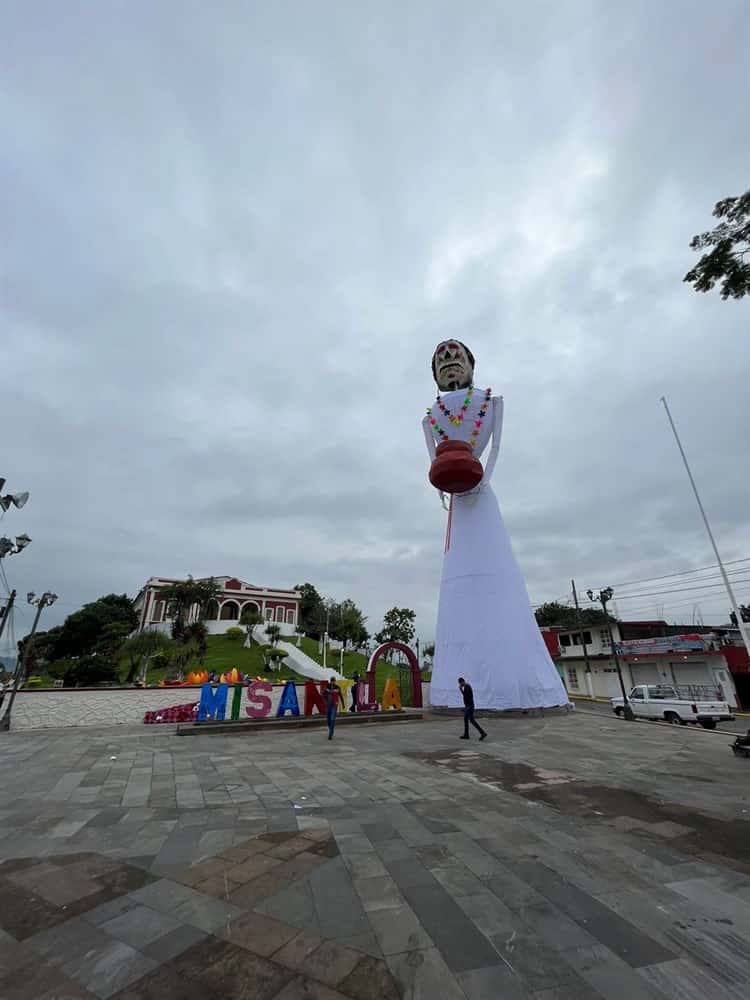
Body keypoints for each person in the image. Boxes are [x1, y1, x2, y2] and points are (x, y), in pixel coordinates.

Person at [423, 342, 569, 711]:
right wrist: (445, 487)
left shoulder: (492, 403)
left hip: (480, 494)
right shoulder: (431, 418)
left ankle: (517, 685)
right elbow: (433, 457)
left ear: (473, 364)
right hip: (457, 500)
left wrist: (483, 478)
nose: (449, 362)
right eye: (441, 360)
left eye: (457, 356)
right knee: (457, 592)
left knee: (498, 584)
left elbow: (496, 447)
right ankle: (455, 689)